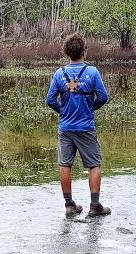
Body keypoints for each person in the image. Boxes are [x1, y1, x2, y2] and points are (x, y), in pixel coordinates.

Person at [46, 33, 110, 217]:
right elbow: (103, 98)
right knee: (95, 164)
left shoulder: (60, 74)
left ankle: (69, 205)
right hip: (85, 127)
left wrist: (63, 111)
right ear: (84, 51)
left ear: (68, 53)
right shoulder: (92, 72)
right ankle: (95, 206)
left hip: (65, 128)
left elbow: (50, 100)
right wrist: (90, 108)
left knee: (65, 165)